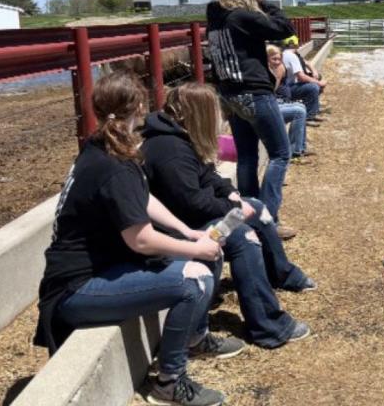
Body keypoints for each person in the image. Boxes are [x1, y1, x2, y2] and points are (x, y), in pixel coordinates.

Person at [34, 72, 234, 406]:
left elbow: (141, 198)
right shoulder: (113, 163)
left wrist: (187, 232)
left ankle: (195, 337)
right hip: (76, 289)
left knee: (203, 256)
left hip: (93, 271)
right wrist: (194, 248)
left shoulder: (104, 147)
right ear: (140, 106)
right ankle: (170, 381)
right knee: (195, 279)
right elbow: (140, 240)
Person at [142, 82, 314, 349]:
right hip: (182, 232)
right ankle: (267, 326)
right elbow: (191, 204)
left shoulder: (180, 135)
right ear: (198, 113)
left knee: (255, 205)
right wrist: (230, 209)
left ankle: (282, 274)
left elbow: (208, 175)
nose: (219, 118)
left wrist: (231, 194)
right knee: (242, 235)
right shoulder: (168, 150)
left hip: (195, 220)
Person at [206, 0, 295, 225]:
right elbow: (284, 28)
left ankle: (248, 215)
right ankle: (267, 217)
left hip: (229, 94)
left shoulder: (215, 16)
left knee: (246, 156)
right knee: (280, 153)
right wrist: (264, 1)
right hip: (254, 92)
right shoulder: (243, 16)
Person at [267, 45, 311, 161]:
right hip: (271, 106)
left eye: (279, 59)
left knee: (301, 106)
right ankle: (294, 151)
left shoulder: (278, 68)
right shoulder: (267, 71)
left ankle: (300, 147)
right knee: (299, 111)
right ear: (267, 59)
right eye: (274, 59)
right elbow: (271, 91)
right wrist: (277, 74)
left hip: (279, 102)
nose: (277, 62)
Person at [282, 41, 327, 122]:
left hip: (287, 86)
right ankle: (309, 116)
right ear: (295, 45)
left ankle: (313, 108)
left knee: (316, 80)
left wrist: (314, 71)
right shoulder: (291, 56)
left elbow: (306, 63)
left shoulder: (289, 54)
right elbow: (301, 77)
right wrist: (319, 83)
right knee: (313, 87)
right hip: (288, 89)